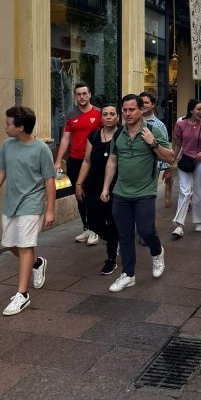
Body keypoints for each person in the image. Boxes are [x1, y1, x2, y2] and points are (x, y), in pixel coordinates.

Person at [0, 106, 55, 316]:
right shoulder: (7, 146)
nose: (5, 127)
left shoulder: (41, 149)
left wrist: (49, 210)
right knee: (11, 244)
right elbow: (1, 172)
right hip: (11, 203)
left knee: (24, 246)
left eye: (8, 123)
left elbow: (49, 181)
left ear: (20, 127)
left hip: (32, 204)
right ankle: (37, 263)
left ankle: (22, 295)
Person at [101, 94, 174, 292]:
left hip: (145, 192)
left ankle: (157, 252)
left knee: (145, 230)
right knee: (124, 234)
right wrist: (106, 187)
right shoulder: (118, 134)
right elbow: (112, 161)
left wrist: (153, 143)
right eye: (124, 110)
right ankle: (128, 274)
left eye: (131, 109)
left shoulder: (153, 131)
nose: (127, 113)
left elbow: (170, 157)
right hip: (121, 192)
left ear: (141, 110)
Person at [75, 103, 121, 275]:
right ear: (101, 117)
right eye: (105, 114)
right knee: (94, 222)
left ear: (117, 117)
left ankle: (111, 259)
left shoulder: (122, 135)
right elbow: (87, 161)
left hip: (115, 186)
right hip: (93, 185)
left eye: (112, 114)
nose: (108, 117)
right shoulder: (93, 136)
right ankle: (115, 242)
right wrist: (79, 184)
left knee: (113, 221)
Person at [54, 83, 101, 244]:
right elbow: (66, 138)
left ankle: (96, 229)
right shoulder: (70, 115)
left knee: (93, 195)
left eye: (84, 93)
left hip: (94, 161)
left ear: (89, 95)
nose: (81, 97)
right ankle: (86, 228)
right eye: (78, 94)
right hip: (75, 161)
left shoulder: (99, 114)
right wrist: (58, 160)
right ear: (75, 96)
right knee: (79, 195)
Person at [171, 98, 201, 238]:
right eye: (198, 109)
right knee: (184, 191)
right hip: (185, 161)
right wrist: (172, 159)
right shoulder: (181, 124)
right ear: (191, 110)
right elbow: (177, 144)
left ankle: (200, 220)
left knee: (199, 192)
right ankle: (180, 225)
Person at [140, 91, 173, 208]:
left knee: (147, 200)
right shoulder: (132, 122)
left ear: (153, 105)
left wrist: (168, 169)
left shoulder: (159, 126)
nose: (143, 105)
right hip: (136, 168)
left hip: (152, 169)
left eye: (146, 102)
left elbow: (166, 149)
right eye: (141, 102)